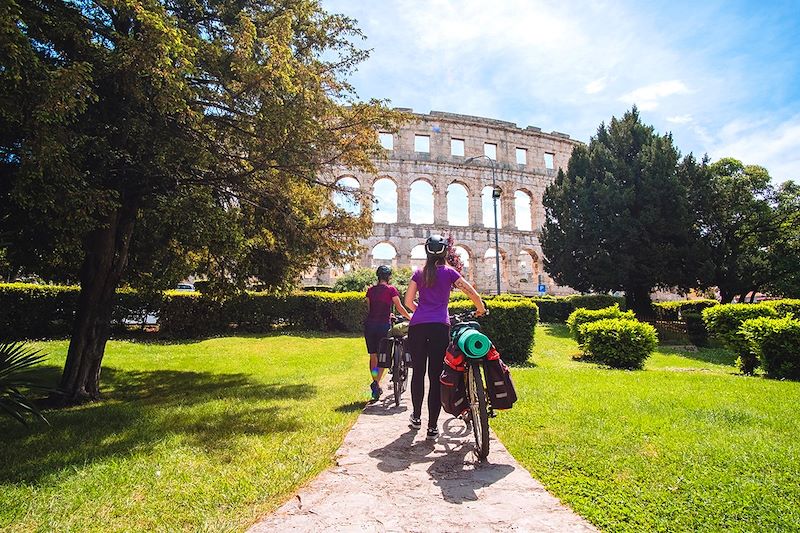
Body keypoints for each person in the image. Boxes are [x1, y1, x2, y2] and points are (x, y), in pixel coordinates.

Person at [404, 235, 486, 439]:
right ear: (444, 252)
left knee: (418, 373)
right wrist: (480, 308)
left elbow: (408, 301)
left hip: (418, 327)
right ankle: (432, 427)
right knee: (435, 376)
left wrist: (421, 311)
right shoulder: (449, 272)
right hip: (440, 327)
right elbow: (470, 291)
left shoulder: (418, 273)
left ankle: (415, 417)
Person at [364, 265, 412, 401]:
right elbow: (399, 307)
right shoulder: (391, 290)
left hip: (369, 326)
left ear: (377, 276)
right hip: (383, 326)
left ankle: (375, 382)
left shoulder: (370, 290)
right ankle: (376, 383)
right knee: (383, 356)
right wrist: (410, 317)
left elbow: (370, 309)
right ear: (389, 277)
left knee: (373, 356)